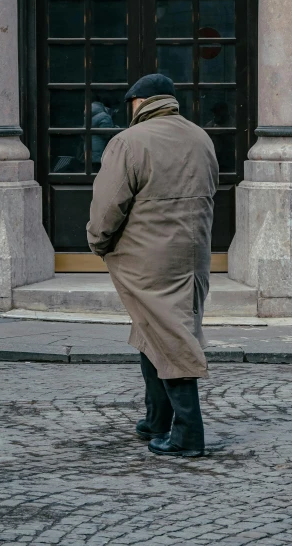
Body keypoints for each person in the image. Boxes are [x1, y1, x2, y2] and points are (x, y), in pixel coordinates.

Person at [87, 73, 219, 457]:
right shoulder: (200, 137)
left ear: (137, 103)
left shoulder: (127, 142)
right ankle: (156, 421)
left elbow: (108, 206)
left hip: (146, 257)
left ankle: (188, 434)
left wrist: (98, 242)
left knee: (171, 337)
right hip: (193, 254)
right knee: (153, 330)